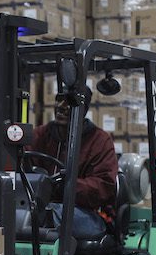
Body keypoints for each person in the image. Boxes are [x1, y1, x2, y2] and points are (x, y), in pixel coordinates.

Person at [29, 86, 118, 240]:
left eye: (69, 101)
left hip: (87, 212)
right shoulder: (39, 135)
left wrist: (68, 186)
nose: (61, 106)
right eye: (59, 99)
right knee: (19, 212)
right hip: (44, 205)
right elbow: (23, 166)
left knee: (47, 214)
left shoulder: (99, 141)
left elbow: (104, 186)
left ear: (83, 109)